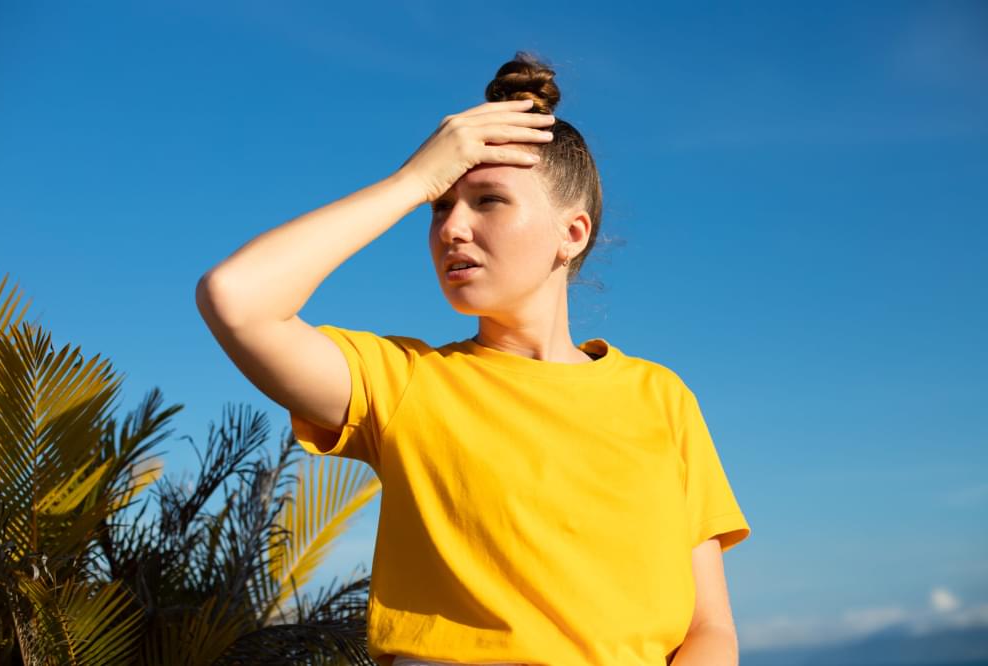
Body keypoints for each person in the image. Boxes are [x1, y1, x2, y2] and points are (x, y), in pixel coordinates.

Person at [196, 51, 751, 666]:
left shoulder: (660, 397)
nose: (450, 228)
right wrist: (412, 181)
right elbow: (237, 298)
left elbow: (709, 630)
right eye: (440, 205)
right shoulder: (404, 384)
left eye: (488, 200)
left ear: (572, 233)